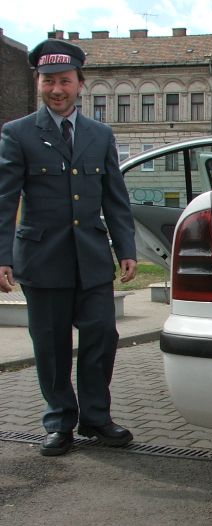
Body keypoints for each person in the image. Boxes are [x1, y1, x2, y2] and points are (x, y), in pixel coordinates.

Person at [0, 40, 138, 456]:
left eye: (64, 81)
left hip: (92, 258)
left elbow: (115, 197)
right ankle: (60, 421)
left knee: (101, 335)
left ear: (81, 84)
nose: (56, 89)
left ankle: (96, 418)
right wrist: (2, 257)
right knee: (51, 343)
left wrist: (126, 248)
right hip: (42, 260)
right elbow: (5, 201)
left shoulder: (101, 135)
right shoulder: (17, 133)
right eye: (48, 81)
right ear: (38, 83)